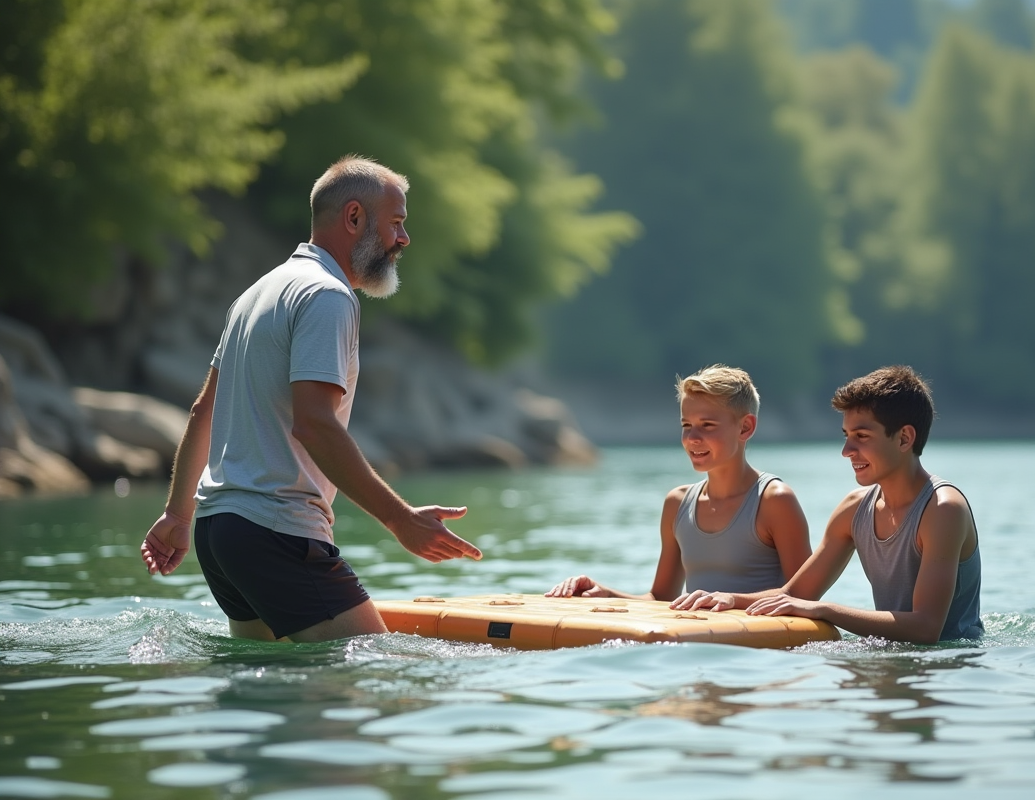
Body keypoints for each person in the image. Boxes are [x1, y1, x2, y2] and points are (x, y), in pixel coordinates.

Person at [140, 155, 482, 643]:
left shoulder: (257, 294)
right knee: (366, 678)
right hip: (275, 532)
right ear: (354, 218)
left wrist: (178, 516)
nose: (403, 239)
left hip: (219, 535)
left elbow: (203, 410)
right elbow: (315, 424)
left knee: (271, 693)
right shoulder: (328, 296)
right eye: (397, 223)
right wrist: (401, 520)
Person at [672, 365, 982, 644]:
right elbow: (794, 595)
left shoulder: (943, 509)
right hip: (895, 662)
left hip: (951, 670)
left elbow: (926, 628)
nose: (847, 450)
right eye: (846, 435)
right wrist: (727, 599)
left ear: (904, 439)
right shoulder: (853, 509)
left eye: (861, 436)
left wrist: (826, 610)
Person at [546, 365, 811, 601]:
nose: (692, 437)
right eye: (686, 425)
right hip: (700, 648)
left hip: (763, 651)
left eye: (707, 425)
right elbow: (660, 598)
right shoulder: (677, 503)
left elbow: (806, 593)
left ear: (745, 428)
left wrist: (733, 600)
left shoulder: (774, 501)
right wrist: (605, 594)